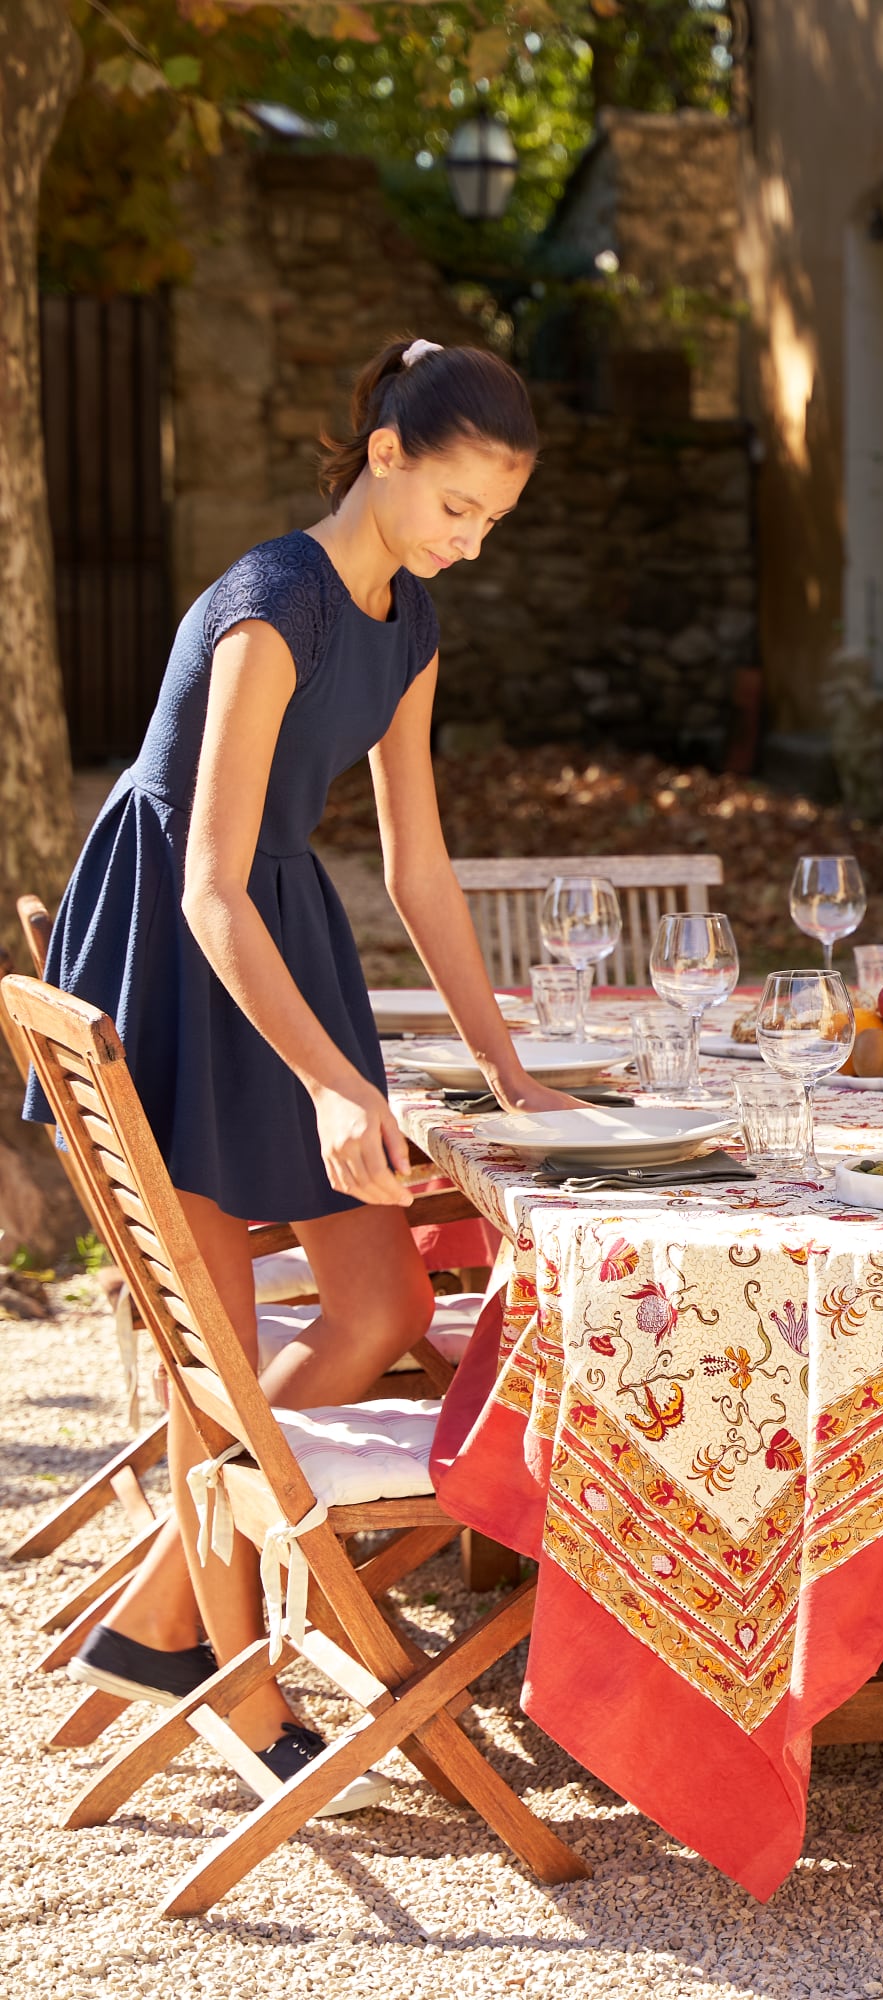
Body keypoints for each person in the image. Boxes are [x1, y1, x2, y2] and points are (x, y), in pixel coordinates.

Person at [26, 336, 574, 1809]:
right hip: (176, 947)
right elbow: (205, 883)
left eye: (491, 522)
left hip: (289, 935)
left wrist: (511, 1073)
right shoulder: (268, 610)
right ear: (387, 455)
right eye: (457, 504)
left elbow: (419, 866)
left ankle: (158, 1616)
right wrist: (340, 1086)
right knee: (210, 1359)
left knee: (384, 1300)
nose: (469, 539)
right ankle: (240, 1673)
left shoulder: (413, 626)